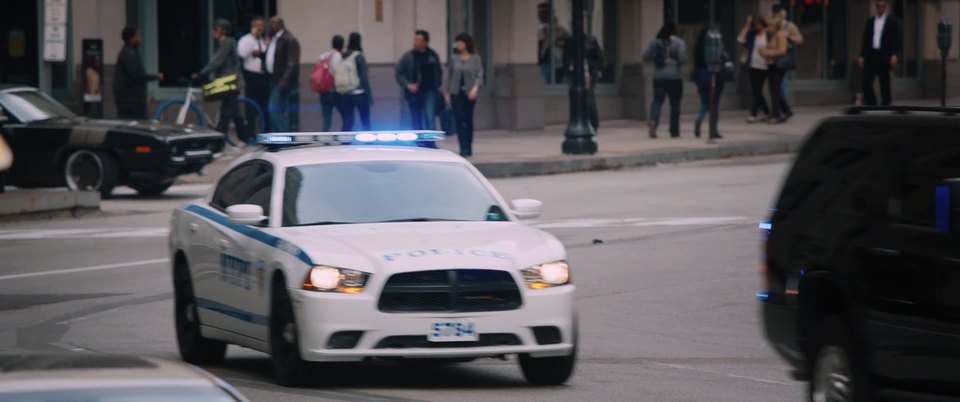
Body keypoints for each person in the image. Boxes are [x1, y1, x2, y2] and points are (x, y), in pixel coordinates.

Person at [192, 19, 247, 141]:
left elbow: (216, 62)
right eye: (214, 29)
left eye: (216, 29)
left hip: (230, 83)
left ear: (224, 31)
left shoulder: (228, 42)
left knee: (226, 113)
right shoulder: (223, 44)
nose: (213, 32)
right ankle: (246, 139)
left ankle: (221, 139)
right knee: (235, 113)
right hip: (226, 83)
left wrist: (201, 73)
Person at [643, 21, 686, 138]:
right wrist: (674, 60)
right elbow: (682, 59)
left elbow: (646, 56)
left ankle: (653, 121)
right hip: (674, 77)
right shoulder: (679, 43)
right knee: (675, 104)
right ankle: (674, 130)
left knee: (657, 101)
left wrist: (657, 58)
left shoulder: (655, 42)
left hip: (658, 77)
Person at [443, 33, 483, 157]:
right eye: (457, 43)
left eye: (460, 42)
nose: (458, 45)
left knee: (468, 119)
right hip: (456, 92)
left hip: (469, 92)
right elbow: (448, 76)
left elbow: (480, 74)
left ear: (466, 44)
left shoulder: (475, 58)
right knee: (459, 120)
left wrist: (475, 89)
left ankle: (468, 145)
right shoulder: (454, 58)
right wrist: (447, 93)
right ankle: (462, 147)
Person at [395, 30, 443, 133]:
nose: (415, 42)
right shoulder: (408, 56)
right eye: (414, 40)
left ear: (425, 42)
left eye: (418, 40)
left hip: (429, 90)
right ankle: (419, 143)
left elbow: (438, 72)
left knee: (429, 116)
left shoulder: (432, 55)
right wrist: (408, 85)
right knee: (416, 119)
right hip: (414, 92)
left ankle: (430, 143)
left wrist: (438, 85)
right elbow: (399, 73)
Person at [114, 26, 162, 120]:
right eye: (137, 36)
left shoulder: (131, 52)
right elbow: (136, 75)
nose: (139, 39)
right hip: (130, 101)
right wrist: (155, 77)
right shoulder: (128, 54)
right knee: (136, 126)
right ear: (131, 38)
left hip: (133, 99)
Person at [858, 0, 900, 106]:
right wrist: (862, 56)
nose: (881, 8)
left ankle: (886, 103)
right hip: (871, 54)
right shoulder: (870, 21)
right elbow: (866, 40)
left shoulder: (891, 22)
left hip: (884, 55)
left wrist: (894, 55)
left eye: (883, 6)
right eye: (879, 6)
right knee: (866, 81)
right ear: (876, 7)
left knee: (884, 82)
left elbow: (896, 40)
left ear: (885, 7)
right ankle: (871, 103)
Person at [564, 27, 604, 131]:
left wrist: (594, 71)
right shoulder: (570, 42)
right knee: (576, 98)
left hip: (589, 73)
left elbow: (599, 58)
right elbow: (566, 58)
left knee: (589, 99)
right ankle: (578, 120)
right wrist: (568, 72)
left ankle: (593, 123)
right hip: (576, 73)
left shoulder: (591, 40)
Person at [692, 27, 729, 140]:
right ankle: (713, 129)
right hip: (716, 75)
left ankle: (699, 120)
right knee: (715, 103)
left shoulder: (698, 48)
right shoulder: (717, 47)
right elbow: (725, 58)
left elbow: (696, 65)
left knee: (704, 103)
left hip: (702, 76)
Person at [266, 16, 300, 132]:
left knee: (273, 109)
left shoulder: (288, 39)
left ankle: (284, 137)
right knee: (276, 110)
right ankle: (277, 140)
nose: (269, 27)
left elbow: (292, 63)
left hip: (281, 81)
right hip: (273, 79)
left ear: (279, 25)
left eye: (272, 24)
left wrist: (285, 80)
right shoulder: (276, 38)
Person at [237, 15, 270, 131]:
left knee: (265, 106)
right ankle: (251, 133)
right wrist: (253, 38)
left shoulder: (264, 40)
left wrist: (267, 46)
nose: (260, 28)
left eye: (262, 26)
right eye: (258, 26)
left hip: (264, 76)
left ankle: (266, 133)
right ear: (253, 26)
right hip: (251, 76)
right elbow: (242, 54)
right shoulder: (246, 40)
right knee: (251, 106)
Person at [771, 4, 802, 118]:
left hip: (783, 60)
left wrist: (787, 36)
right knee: (776, 86)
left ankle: (783, 109)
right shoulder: (771, 25)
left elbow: (799, 39)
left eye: (777, 13)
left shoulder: (788, 26)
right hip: (773, 59)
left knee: (782, 85)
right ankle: (780, 109)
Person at [738, 14, 771, 123]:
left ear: (763, 24)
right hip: (753, 65)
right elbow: (740, 39)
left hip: (765, 66)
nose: (757, 27)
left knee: (757, 90)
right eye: (755, 25)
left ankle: (757, 113)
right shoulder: (752, 35)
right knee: (756, 91)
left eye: (759, 25)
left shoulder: (768, 35)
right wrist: (747, 24)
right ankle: (762, 113)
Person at [337, 33, 372, 131]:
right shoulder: (359, 56)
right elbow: (364, 78)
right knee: (365, 120)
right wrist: (369, 97)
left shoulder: (343, 55)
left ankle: (345, 142)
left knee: (347, 121)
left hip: (345, 93)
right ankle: (368, 141)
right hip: (359, 93)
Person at [761, 20, 791, 124]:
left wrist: (767, 52)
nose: (768, 28)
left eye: (770, 26)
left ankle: (776, 114)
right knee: (772, 89)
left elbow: (782, 50)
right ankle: (786, 110)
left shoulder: (780, 35)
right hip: (771, 65)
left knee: (775, 90)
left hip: (778, 66)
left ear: (775, 27)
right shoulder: (772, 36)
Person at [537, 2, 570, 83]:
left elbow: (568, 43)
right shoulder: (535, 28)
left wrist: (557, 42)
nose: (542, 15)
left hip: (554, 62)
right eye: (540, 12)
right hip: (538, 61)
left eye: (545, 12)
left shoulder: (559, 29)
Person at [317, 35, 344, 131]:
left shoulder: (324, 55)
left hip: (324, 90)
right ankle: (345, 139)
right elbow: (337, 72)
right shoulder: (338, 56)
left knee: (326, 119)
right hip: (334, 91)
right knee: (346, 116)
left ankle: (324, 140)